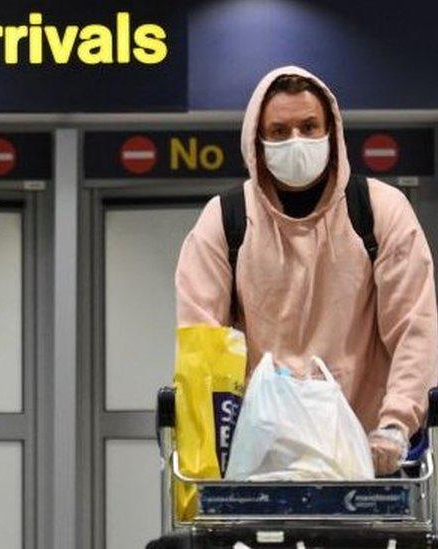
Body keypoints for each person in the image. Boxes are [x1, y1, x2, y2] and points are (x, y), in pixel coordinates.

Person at [175, 66, 438, 476]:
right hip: (259, 456)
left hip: (365, 454)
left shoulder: (379, 211)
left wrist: (395, 425)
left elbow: (414, 329)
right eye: (278, 131)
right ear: (257, 143)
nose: (295, 141)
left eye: (309, 127)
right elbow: (201, 342)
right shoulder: (225, 219)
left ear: (331, 132)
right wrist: (210, 446)